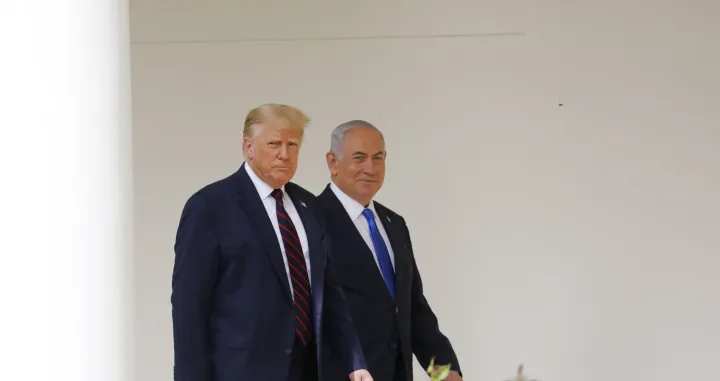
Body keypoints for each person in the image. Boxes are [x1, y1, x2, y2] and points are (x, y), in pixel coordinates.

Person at [171, 104, 373, 381]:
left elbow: (328, 290)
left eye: (293, 144)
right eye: (274, 144)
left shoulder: (308, 206)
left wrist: (354, 360)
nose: (285, 154)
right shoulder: (210, 207)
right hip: (241, 371)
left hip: (307, 369)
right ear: (248, 147)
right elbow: (189, 307)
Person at [318, 121, 462, 381]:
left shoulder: (394, 224)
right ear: (332, 162)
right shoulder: (311, 222)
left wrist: (442, 371)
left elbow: (411, 308)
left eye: (378, 158)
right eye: (359, 158)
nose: (370, 169)